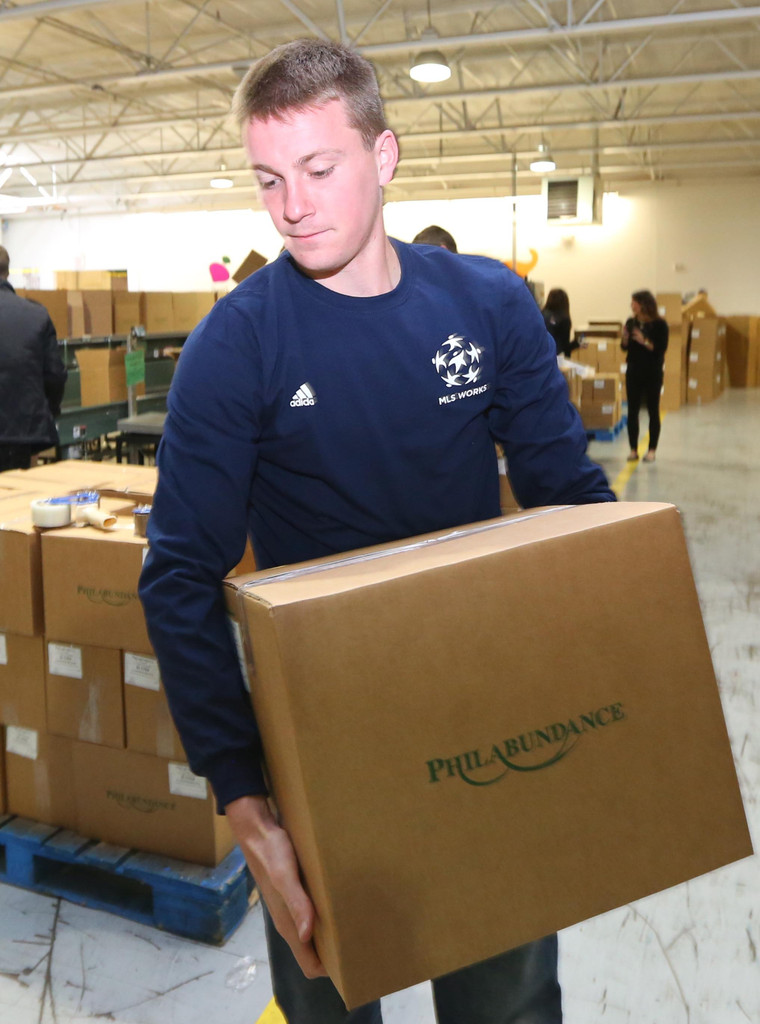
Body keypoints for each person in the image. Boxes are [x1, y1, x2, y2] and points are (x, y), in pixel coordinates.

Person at [138, 39, 615, 1024]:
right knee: (328, 1006)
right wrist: (246, 803)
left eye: (319, 169)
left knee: (507, 1000)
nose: (292, 206)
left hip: (485, 711)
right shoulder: (238, 346)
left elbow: (568, 499)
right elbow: (180, 574)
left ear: (384, 156)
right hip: (317, 745)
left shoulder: (485, 306)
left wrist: (612, 679)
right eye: (269, 178)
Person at [0, 246, 67, 471]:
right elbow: (55, 375)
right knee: (20, 500)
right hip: (25, 432)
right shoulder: (36, 315)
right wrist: (46, 413)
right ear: (7, 273)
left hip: (25, 428)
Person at [621, 290, 669, 463]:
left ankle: (651, 450)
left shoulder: (660, 325)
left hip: (652, 373)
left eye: (634, 302)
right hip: (633, 371)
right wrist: (625, 338)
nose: (632, 305)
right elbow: (624, 347)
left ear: (644, 304)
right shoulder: (630, 322)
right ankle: (633, 449)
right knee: (632, 411)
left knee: (652, 410)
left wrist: (644, 341)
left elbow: (661, 349)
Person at [541, 288, 577, 358]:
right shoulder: (564, 319)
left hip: (540, 357)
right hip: (555, 357)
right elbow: (565, 347)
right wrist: (577, 344)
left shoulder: (541, 314)